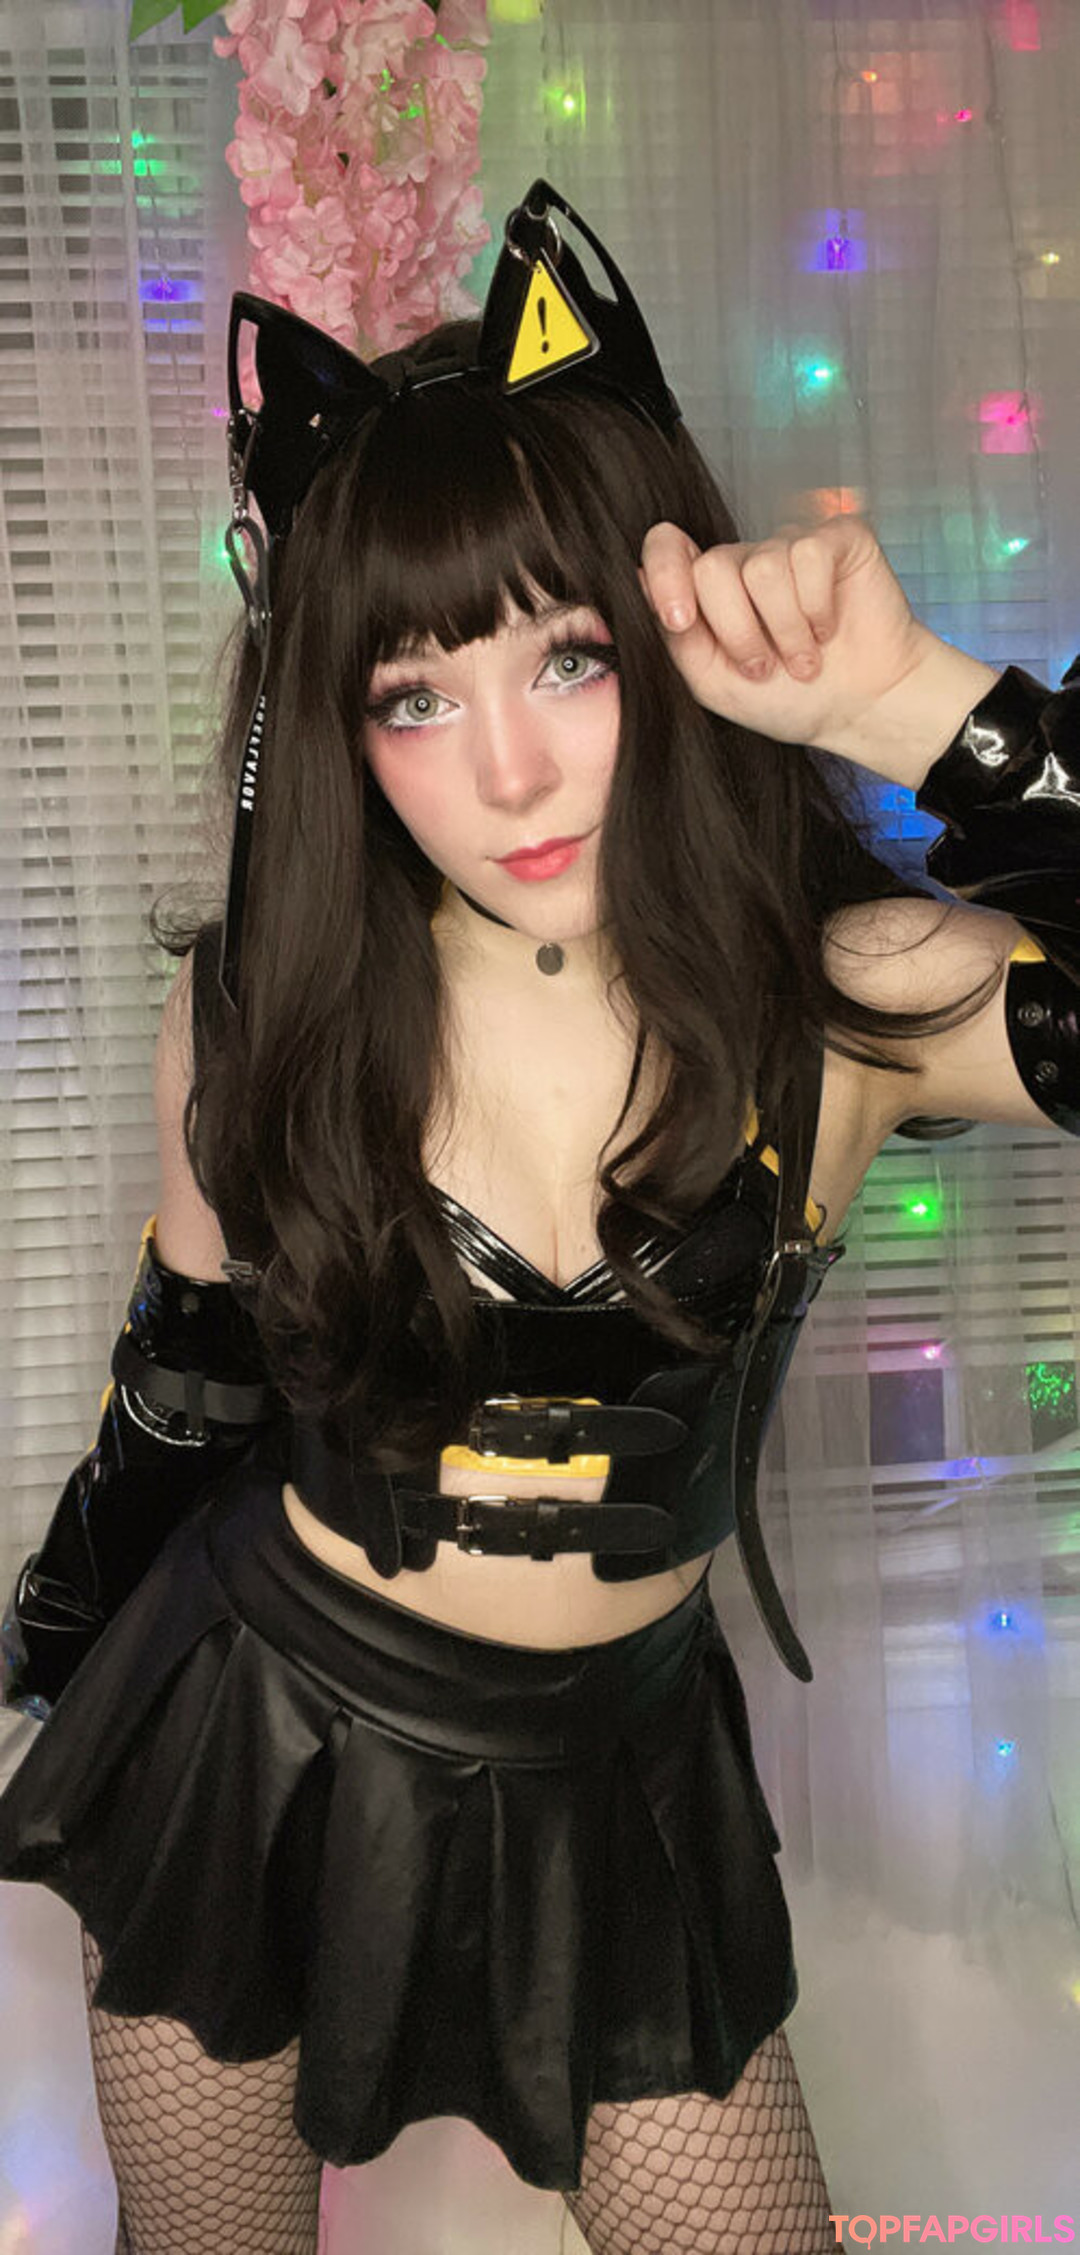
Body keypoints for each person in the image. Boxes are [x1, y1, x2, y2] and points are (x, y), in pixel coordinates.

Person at [0, 181, 1078, 2255]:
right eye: (414, 696)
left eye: (566, 658)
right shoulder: (253, 1014)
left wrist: (915, 707)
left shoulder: (841, 999)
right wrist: (51, 1667)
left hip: (617, 1782)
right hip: (252, 1739)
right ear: (338, 729)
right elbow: (186, 1383)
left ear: (672, 634)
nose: (505, 770)